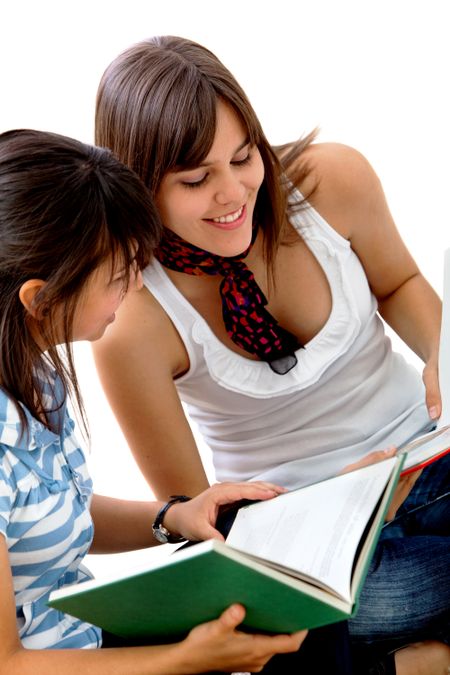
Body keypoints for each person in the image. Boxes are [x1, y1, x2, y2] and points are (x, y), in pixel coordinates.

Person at [93, 36, 450, 674]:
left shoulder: (332, 179)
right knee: (305, 620)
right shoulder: (133, 320)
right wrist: (342, 503)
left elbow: (399, 284)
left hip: (431, 462)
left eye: (243, 157)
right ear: (140, 184)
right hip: (318, 549)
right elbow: (198, 517)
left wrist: (437, 357)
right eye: (197, 179)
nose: (233, 194)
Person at [0, 128, 312, 674]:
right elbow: (9, 663)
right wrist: (180, 661)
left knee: (295, 623)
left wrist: (173, 517)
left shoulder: (31, 371)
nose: (136, 290)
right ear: (38, 297)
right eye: (119, 278)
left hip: (85, 641)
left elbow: (44, 515)